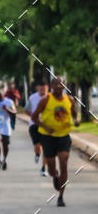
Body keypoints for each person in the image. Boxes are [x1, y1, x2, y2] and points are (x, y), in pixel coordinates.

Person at [32, 75, 80, 206]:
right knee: (52, 168)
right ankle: (54, 176)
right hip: (48, 137)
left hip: (64, 136)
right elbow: (34, 117)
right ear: (52, 85)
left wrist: (75, 121)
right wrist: (45, 127)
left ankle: (61, 196)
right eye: (56, 84)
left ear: (65, 85)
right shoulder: (46, 99)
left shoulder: (70, 100)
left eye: (61, 84)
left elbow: (74, 114)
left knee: (63, 161)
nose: (59, 86)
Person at [25, 82, 49, 175]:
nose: (42, 90)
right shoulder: (32, 98)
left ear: (47, 88)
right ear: (37, 88)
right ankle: (37, 154)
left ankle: (44, 168)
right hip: (34, 125)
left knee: (46, 147)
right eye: (41, 88)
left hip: (46, 125)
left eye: (45, 89)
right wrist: (34, 116)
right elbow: (26, 110)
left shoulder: (50, 98)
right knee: (37, 146)